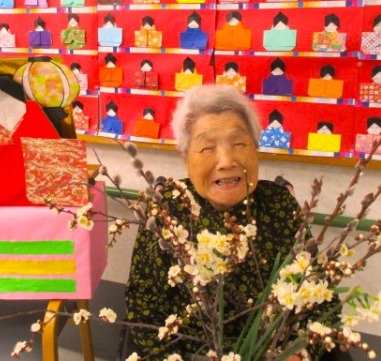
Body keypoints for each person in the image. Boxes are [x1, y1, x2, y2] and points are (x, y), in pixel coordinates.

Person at [125, 84, 306, 359]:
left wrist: (299, 353)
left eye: (239, 144)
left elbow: (315, 297)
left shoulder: (281, 205)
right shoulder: (167, 210)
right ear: (185, 159)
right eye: (207, 147)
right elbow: (144, 308)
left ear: (256, 148)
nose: (226, 161)